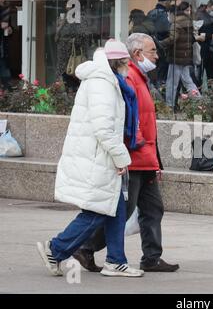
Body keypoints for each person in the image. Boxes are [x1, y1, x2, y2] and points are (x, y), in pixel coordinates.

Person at [36, 40, 143, 278]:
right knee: (97, 211)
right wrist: (121, 158)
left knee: (115, 209)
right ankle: (55, 249)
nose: (129, 66)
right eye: (126, 62)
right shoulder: (102, 84)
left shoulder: (108, 80)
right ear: (118, 62)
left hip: (100, 155)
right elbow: (104, 129)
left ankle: (116, 261)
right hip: (98, 158)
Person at [74, 33, 179, 273]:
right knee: (123, 211)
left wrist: (156, 160)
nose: (157, 56)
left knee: (153, 208)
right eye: (153, 51)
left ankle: (151, 258)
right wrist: (134, 148)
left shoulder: (140, 77)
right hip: (134, 157)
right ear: (138, 53)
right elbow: (126, 119)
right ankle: (85, 248)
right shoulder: (128, 77)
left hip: (147, 158)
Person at [161, 1, 202, 108]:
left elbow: (172, 39)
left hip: (176, 57)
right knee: (187, 81)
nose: (168, 17)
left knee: (171, 83)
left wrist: (160, 43)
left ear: (172, 14)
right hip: (185, 56)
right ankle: (199, 101)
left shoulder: (176, 24)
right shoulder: (188, 22)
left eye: (168, 14)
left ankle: (169, 105)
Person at [55, 0, 91, 92]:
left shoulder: (81, 17)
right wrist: (59, 26)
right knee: (65, 79)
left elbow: (83, 34)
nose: (66, 6)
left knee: (74, 78)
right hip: (64, 55)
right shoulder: (65, 17)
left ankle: (72, 98)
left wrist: (73, 41)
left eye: (68, 4)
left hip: (75, 55)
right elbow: (57, 37)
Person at [0, 0, 12, 92]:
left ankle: (7, 89)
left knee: (4, 67)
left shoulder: (6, 10)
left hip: (3, 45)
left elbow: (9, 26)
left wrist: (10, 29)